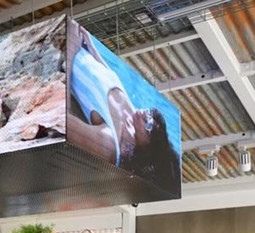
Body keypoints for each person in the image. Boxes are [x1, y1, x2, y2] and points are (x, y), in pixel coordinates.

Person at [66, 18, 179, 182]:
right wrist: (89, 43)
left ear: (145, 150)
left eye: (148, 126)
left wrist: (69, 49)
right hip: (77, 42)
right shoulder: (133, 114)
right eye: (152, 116)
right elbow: (107, 75)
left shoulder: (109, 145)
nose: (145, 115)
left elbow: (63, 121)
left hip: (65, 53)